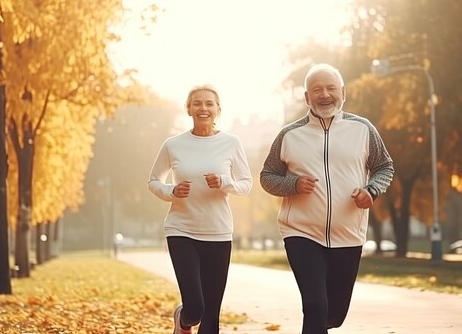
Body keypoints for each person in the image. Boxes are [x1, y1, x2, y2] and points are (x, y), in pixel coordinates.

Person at [260, 63, 394, 333]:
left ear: (343, 92)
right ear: (307, 97)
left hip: (349, 234)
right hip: (301, 232)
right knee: (315, 305)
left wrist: (372, 190)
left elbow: (384, 166)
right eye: (317, 89)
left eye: (331, 88)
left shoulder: (363, 129)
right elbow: (267, 177)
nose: (325, 94)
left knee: (334, 314)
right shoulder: (289, 134)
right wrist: (293, 184)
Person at [148, 85, 252, 334]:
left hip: (218, 232)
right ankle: (183, 319)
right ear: (188, 109)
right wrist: (171, 191)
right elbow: (153, 181)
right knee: (195, 307)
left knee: (211, 314)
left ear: (218, 110)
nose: (203, 108)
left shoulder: (231, 142)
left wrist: (224, 183)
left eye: (209, 104)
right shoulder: (173, 144)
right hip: (181, 230)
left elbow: (246, 184)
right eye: (197, 103)